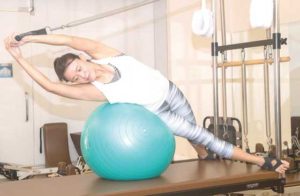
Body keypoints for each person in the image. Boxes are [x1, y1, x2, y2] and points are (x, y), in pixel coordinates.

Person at [4, 33, 289, 174]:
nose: (81, 74)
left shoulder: (106, 54)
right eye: (74, 77)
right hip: (160, 114)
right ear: (73, 83)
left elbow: (66, 39)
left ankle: (204, 157)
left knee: (195, 136)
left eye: (78, 67)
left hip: (171, 91)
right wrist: (18, 57)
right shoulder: (95, 90)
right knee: (202, 135)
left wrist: (27, 39)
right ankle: (262, 161)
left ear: (83, 59)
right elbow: (48, 85)